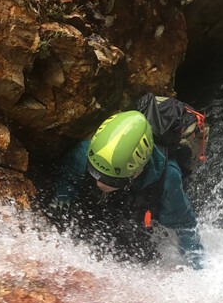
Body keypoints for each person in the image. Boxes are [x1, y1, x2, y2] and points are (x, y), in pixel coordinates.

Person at [53, 107, 204, 269]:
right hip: (123, 192)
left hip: (147, 198)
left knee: (143, 248)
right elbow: (69, 174)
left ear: (137, 171)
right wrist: (64, 193)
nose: (99, 183)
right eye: (95, 172)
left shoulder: (168, 179)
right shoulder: (85, 152)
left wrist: (196, 263)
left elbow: (185, 225)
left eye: (113, 181)